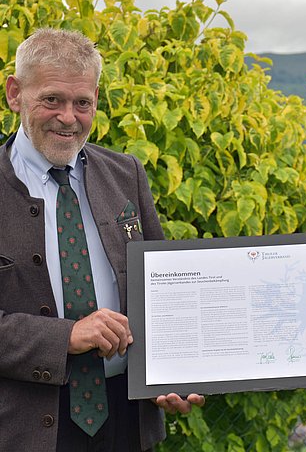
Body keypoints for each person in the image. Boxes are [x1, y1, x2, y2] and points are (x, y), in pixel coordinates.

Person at [0, 28, 204, 452]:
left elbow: (165, 294)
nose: (69, 117)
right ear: (15, 93)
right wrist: (64, 337)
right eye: (52, 99)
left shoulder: (126, 173)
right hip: (23, 429)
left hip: (127, 422)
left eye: (83, 103)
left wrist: (172, 372)